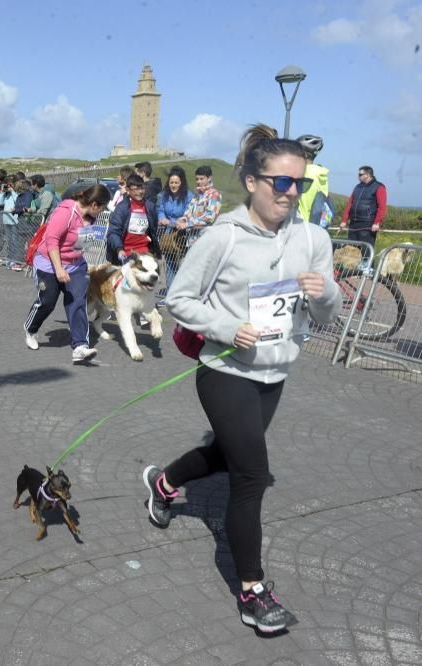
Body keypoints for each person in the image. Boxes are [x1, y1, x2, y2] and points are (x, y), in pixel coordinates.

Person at [150, 124, 340, 632]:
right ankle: (252, 591)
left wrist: (323, 294)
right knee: (251, 475)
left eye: (300, 183)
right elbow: (179, 300)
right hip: (224, 369)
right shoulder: (223, 236)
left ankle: (165, 482)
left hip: (274, 374)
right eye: (282, 183)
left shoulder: (312, 237)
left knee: (224, 455)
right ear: (253, 182)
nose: (292, 193)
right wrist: (229, 327)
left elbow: (327, 314)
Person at [23, 184, 111, 363]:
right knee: (47, 301)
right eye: (102, 207)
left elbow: (80, 244)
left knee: (77, 301)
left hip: (75, 265)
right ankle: (30, 328)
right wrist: (59, 269)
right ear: (94, 204)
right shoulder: (65, 212)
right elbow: (51, 241)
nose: (103, 211)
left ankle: (80, 347)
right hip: (49, 263)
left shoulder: (91, 218)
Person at [156, 165, 194, 301]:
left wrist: (175, 222)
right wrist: (161, 218)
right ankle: (171, 294)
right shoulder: (165, 195)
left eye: (176, 182)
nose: (173, 185)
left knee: (183, 265)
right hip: (167, 235)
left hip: (182, 235)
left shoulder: (189, 196)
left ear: (181, 182)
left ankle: (183, 295)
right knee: (170, 264)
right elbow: (161, 209)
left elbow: (189, 214)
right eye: (171, 182)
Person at [106, 173, 161, 264]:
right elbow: (113, 232)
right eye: (136, 189)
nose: (140, 192)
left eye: (142, 188)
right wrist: (119, 249)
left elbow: (153, 228)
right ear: (128, 190)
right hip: (125, 254)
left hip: (144, 252)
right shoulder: (122, 208)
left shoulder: (150, 207)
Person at [339, 166, 387, 248]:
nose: (358, 176)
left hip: (368, 224)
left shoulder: (379, 187)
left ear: (367, 175)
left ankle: (368, 261)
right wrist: (344, 220)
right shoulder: (357, 187)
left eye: (360, 174)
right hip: (353, 224)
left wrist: (377, 222)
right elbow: (349, 204)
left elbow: (382, 207)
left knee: (366, 251)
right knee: (352, 251)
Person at [294, 134, 327, 226]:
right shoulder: (320, 174)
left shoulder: (304, 173)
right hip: (314, 227)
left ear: (304, 154)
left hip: (300, 225)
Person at [181, 165, 222, 230]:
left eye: (201, 179)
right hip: (191, 236)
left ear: (209, 178)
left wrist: (188, 224)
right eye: (197, 179)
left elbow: (210, 217)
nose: (198, 182)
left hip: (205, 236)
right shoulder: (196, 196)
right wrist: (182, 220)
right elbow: (188, 212)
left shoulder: (214, 194)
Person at [0, 175, 22, 270]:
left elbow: (18, 202)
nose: (8, 186)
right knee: (9, 242)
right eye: (7, 184)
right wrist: (2, 192)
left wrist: (13, 192)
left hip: (14, 221)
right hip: (6, 220)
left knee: (15, 242)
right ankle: (10, 260)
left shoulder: (17, 193)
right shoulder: (6, 194)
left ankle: (16, 261)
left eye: (10, 184)